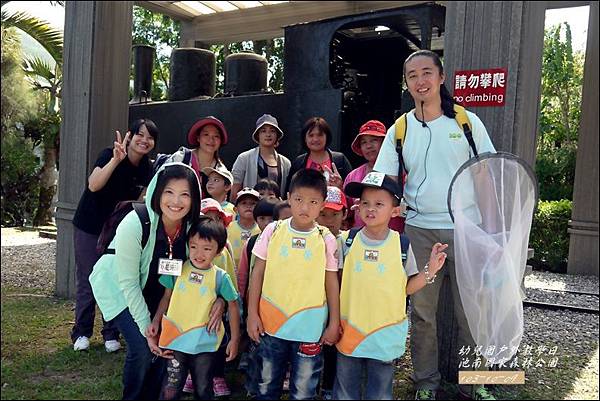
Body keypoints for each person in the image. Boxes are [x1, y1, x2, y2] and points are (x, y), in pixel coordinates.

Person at [373, 49, 497, 401]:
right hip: (420, 231)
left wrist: (491, 228)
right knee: (423, 313)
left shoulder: (467, 123)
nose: (420, 81)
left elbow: (487, 172)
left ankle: (476, 384)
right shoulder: (400, 128)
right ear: (407, 83)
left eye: (427, 72)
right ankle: (426, 383)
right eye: (412, 76)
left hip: (467, 230)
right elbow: (383, 177)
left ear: (442, 77)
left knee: (473, 313)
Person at [89, 163, 225, 400]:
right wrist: (147, 327)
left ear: (194, 198)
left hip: (163, 293)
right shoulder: (135, 222)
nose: (176, 201)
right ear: (157, 192)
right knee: (143, 348)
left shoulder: (194, 227)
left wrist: (221, 299)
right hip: (120, 288)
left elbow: (215, 264)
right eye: (169, 192)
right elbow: (128, 283)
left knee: (166, 345)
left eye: (185, 194)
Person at [334, 171, 448, 400]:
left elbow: (406, 287)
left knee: (380, 392)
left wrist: (430, 270)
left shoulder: (402, 245)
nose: (370, 208)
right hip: (349, 331)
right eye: (365, 202)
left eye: (379, 203)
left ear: (395, 211)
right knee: (345, 392)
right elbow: (335, 283)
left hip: (383, 335)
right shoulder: (347, 240)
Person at [246, 169, 341, 400]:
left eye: (312, 202)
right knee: (266, 386)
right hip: (271, 324)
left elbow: (331, 282)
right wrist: (251, 314)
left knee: (304, 390)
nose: (304, 208)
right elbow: (257, 272)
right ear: (288, 197)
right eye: (298, 200)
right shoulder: (273, 230)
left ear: (322, 204)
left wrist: (334, 321)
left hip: (309, 328)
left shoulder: (325, 238)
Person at [71, 119, 158, 353]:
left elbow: (140, 201)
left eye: (150, 137)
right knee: (89, 279)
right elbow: (93, 185)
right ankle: (81, 332)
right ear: (129, 136)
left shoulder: (147, 168)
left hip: (117, 231)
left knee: (115, 277)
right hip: (89, 226)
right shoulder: (109, 154)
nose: (144, 140)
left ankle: (111, 332)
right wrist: (115, 160)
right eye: (140, 134)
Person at [147, 217, 240, 400]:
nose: (199, 253)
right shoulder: (177, 268)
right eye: (194, 246)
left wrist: (235, 339)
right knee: (171, 386)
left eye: (207, 248)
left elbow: (233, 306)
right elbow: (166, 296)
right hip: (176, 339)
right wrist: (156, 320)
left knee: (204, 387)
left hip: (204, 343)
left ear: (219, 251)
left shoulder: (221, 277)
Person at [343, 120, 405, 232]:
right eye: (363, 142)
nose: (368, 146)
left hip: (394, 239)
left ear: (386, 143)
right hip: (360, 240)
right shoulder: (352, 176)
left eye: (374, 140)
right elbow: (346, 214)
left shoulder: (401, 174)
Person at [316, 186, 348, 400]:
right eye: (323, 214)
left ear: (345, 214)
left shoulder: (346, 241)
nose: (328, 220)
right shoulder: (312, 237)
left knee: (332, 348)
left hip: (335, 303)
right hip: (311, 302)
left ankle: (328, 386)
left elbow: (342, 275)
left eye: (334, 214)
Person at [155, 116, 228, 197]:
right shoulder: (181, 158)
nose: (211, 140)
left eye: (216, 136)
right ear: (198, 138)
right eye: (206, 134)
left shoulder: (221, 170)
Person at [284, 117, 353, 195]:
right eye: (311, 135)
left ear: (327, 137)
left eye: (320, 135)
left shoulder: (340, 160)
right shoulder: (298, 162)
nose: (315, 139)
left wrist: (340, 187)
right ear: (305, 139)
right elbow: (289, 192)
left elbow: (351, 193)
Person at [231, 114, 291, 201]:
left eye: (272, 131)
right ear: (257, 135)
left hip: (275, 211)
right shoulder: (244, 158)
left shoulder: (285, 163)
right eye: (263, 131)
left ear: (277, 135)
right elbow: (235, 188)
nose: (268, 134)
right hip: (250, 210)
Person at [227, 188, 261, 267]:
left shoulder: (261, 229)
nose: (248, 206)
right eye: (244, 203)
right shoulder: (229, 227)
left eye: (253, 203)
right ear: (235, 209)